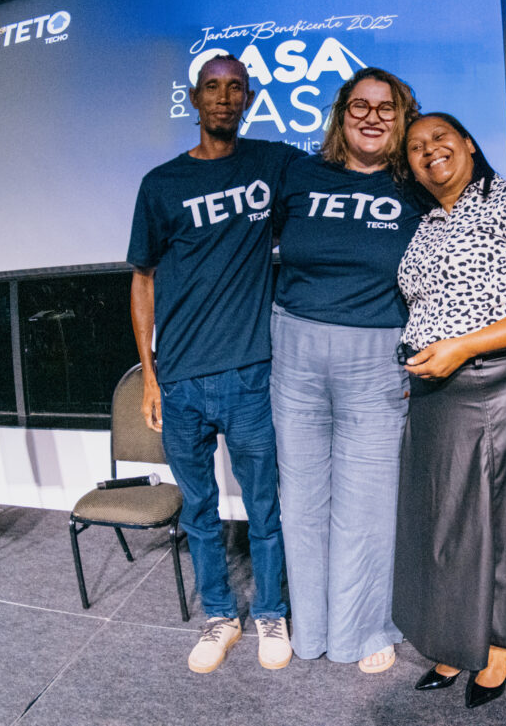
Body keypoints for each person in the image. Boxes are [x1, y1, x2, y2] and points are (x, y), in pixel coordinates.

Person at [393, 113, 506, 708]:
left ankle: (497, 651)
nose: (429, 151)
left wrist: (460, 348)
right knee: (443, 527)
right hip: (434, 396)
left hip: (495, 386)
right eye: (416, 147)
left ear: (469, 144)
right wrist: (424, 363)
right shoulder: (427, 226)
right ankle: (455, 640)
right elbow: (429, 308)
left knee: (500, 527)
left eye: (440, 138)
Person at [127, 54, 304, 674]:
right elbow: (143, 279)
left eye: (235, 89)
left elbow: (335, 183)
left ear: (248, 98)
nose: (224, 98)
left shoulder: (274, 162)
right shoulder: (161, 184)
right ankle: (219, 618)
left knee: (265, 508)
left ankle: (272, 615)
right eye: (212, 88)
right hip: (178, 383)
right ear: (195, 99)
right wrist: (149, 375)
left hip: (252, 374)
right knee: (199, 511)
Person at [270, 67, 423, 673]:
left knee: (366, 504)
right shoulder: (298, 172)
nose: (372, 116)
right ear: (341, 114)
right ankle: (311, 630)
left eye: (387, 108)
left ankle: (364, 630)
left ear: (403, 118)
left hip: (377, 357)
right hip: (295, 351)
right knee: (302, 502)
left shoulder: (416, 188)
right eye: (360, 105)